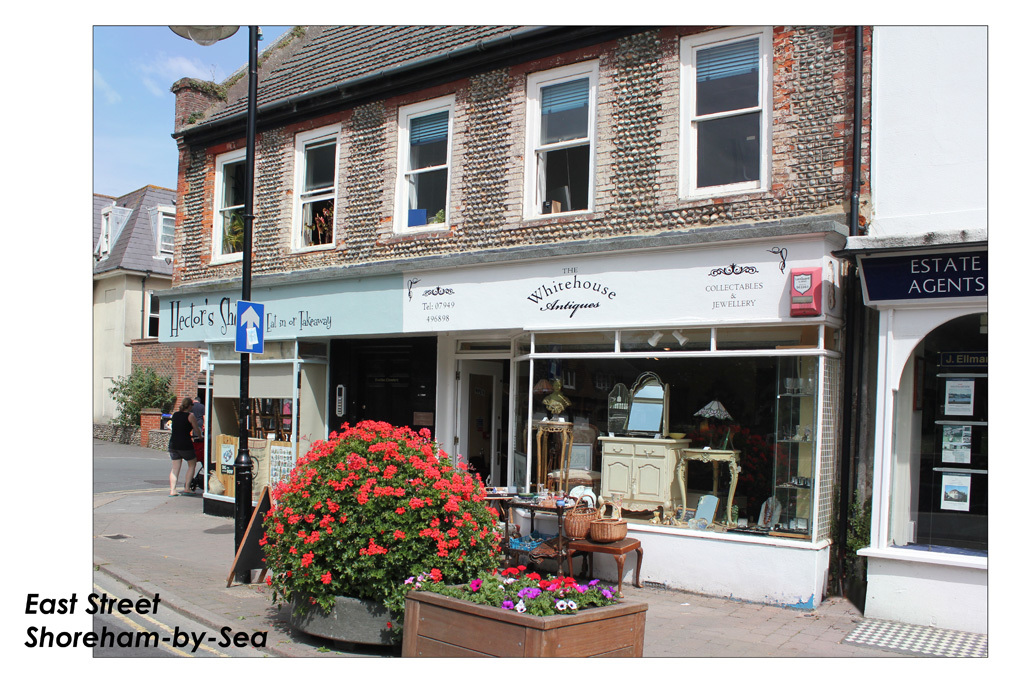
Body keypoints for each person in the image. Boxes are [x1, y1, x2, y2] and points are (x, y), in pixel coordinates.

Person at [168, 397, 200, 496]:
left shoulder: (175, 415)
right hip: (185, 444)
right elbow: (196, 429)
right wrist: (200, 436)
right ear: (190, 406)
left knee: (175, 468)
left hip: (173, 444)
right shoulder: (190, 416)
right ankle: (187, 488)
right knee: (192, 464)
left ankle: (173, 490)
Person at [190, 396, 206, 462]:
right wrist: (204, 424)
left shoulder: (191, 406)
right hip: (200, 422)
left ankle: (196, 444)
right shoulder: (202, 406)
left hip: (192, 421)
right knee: (199, 434)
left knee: (194, 434)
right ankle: (199, 444)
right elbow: (204, 416)